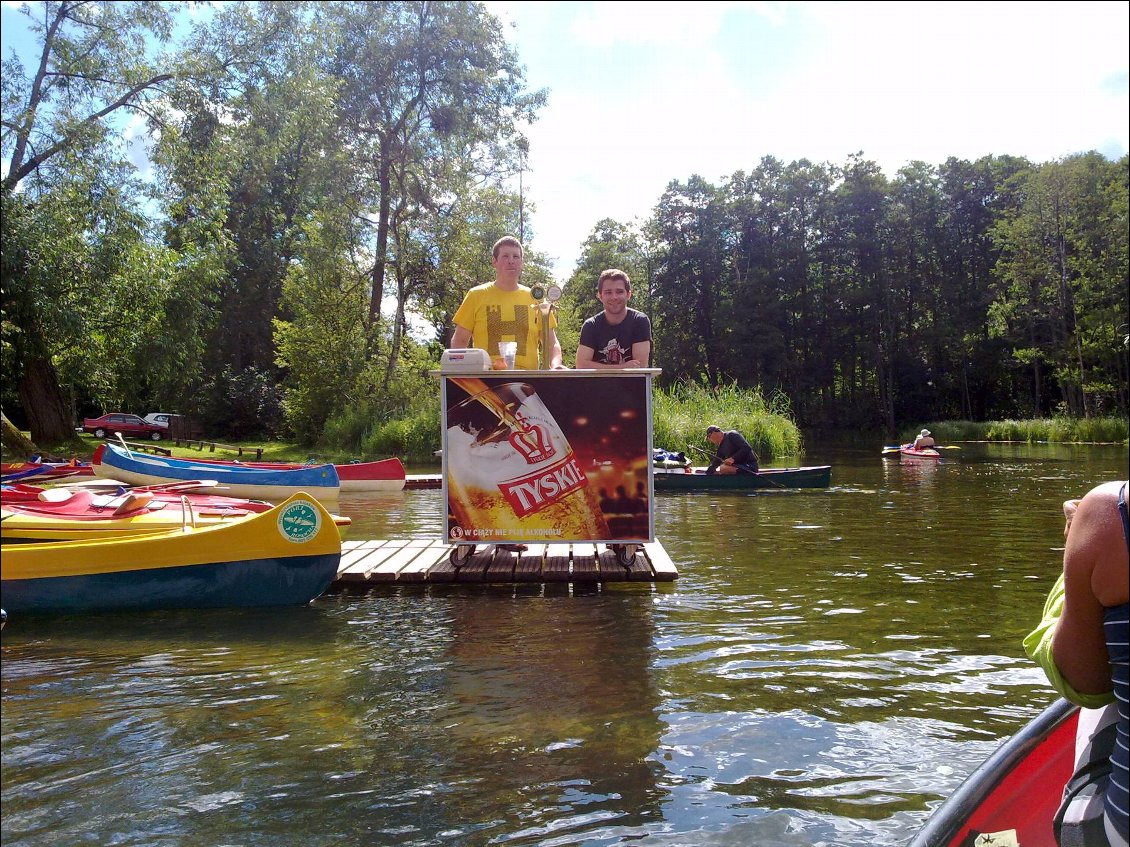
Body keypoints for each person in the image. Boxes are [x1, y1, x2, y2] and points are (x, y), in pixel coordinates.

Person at [1024, 481, 1129, 847]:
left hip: (1122, 830)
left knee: (1103, 701)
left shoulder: (1111, 510)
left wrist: (1080, 542)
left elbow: (1086, 685)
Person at [450, 236, 564, 370]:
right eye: (505, 256)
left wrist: (556, 367)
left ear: (522, 262)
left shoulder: (536, 299)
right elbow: (460, 341)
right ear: (494, 261)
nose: (511, 261)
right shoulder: (476, 296)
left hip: (528, 381)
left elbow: (552, 343)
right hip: (485, 381)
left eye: (516, 257)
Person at [575, 269, 651, 368]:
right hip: (596, 384)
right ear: (600, 296)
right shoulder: (591, 325)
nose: (614, 297)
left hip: (632, 383)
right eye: (608, 292)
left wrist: (596, 367)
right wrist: (622, 368)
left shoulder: (639, 321)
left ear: (628, 294)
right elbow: (581, 365)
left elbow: (639, 367)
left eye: (619, 292)